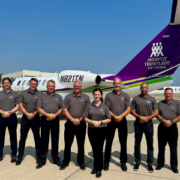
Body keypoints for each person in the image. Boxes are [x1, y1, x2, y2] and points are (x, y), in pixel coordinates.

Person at [60, 80, 91, 170]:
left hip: (81, 124)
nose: (77, 87)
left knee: (81, 144)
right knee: (67, 144)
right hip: (70, 124)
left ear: (81, 87)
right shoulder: (68, 97)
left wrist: (80, 119)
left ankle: (81, 162)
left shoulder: (86, 97)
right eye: (75, 86)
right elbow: (64, 110)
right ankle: (65, 161)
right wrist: (73, 119)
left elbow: (87, 110)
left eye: (78, 86)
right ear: (73, 87)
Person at [104, 78, 131, 171]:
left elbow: (128, 109)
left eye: (118, 83)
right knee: (108, 142)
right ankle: (106, 161)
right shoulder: (108, 95)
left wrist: (120, 117)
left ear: (121, 84)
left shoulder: (126, 95)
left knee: (123, 142)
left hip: (122, 121)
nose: (117, 85)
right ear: (113, 84)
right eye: (115, 83)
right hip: (111, 121)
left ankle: (123, 162)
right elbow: (106, 109)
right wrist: (115, 117)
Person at [36, 80, 64, 169]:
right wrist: (47, 115)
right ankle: (42, 160)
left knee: (55, 140)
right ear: (47, 86)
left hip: (55, 120)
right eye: (49, 86)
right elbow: (38, 108)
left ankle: (55, 159)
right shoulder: (42, 97)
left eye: (52, 86)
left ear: (54, 87)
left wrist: (54, 115)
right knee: (44, 140)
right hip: (45, 119)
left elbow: (62, 108)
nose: (51, 87)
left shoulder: (59, 96)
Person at [131, 83, 158, 173]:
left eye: (145, 87)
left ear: (148, 88)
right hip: (138, 124)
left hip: (148, 124)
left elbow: (156, 112)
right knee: (137, 143)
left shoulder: (152, 99)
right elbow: (131, 110)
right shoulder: (135, 98)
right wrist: (140, 117)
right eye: (142, 87)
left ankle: (150, 164)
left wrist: (147, 119)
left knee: (150, 144)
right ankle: (137, 162)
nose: (144, 89)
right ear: (140, 88)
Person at [84, 88, 111, 178]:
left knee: (99, 149)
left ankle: (99, 168)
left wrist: (101, 122)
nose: (97, 96)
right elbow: (85, 118)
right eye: (95, 94)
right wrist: (92, 122)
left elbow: (109, 119)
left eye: (98, 94)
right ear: (93, 95)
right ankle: (95, 167)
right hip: (91, 130)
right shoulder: (89, 106)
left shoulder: (105, 107)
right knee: (94, 149)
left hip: (102, 129)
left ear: (101, 95)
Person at [16, 78, 41, 165]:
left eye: (35, 84)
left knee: (37, 138)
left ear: (37, 85)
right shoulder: (23, 93)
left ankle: (38, 156)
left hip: (35, 118)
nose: (33, 85)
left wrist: (34, 114)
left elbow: (40, 107)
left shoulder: (40, 94)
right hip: (25, 118)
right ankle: (19, 156)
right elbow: (21, 105)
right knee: (22, 138)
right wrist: (27, 114)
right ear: (29, 84)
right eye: (32, 84)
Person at [156, 88, 180, 173]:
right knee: (161, 147)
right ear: (164, 94)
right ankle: (160, 163)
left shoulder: (177, 103)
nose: (168, 95)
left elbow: (179, 115)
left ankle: (174, 166)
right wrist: (164, 121)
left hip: (173, 128)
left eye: (169, 93)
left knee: (173, 148)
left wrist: (172, 122)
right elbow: (157, 115)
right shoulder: (160, 103)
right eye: (166, 93)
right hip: (162, 127)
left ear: (172, 94)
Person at [0, 77, 19, 163]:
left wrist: (9, 112)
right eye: (5, 83)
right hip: (1, 117)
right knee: (0, 137)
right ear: (2, 84)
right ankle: (0, 154)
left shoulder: (15, 94)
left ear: (11, 84)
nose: (6, 84)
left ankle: (14, 155)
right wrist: (3, 113)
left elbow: (18, 106)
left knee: (13, 137)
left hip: (12, 117)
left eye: (8, 83)